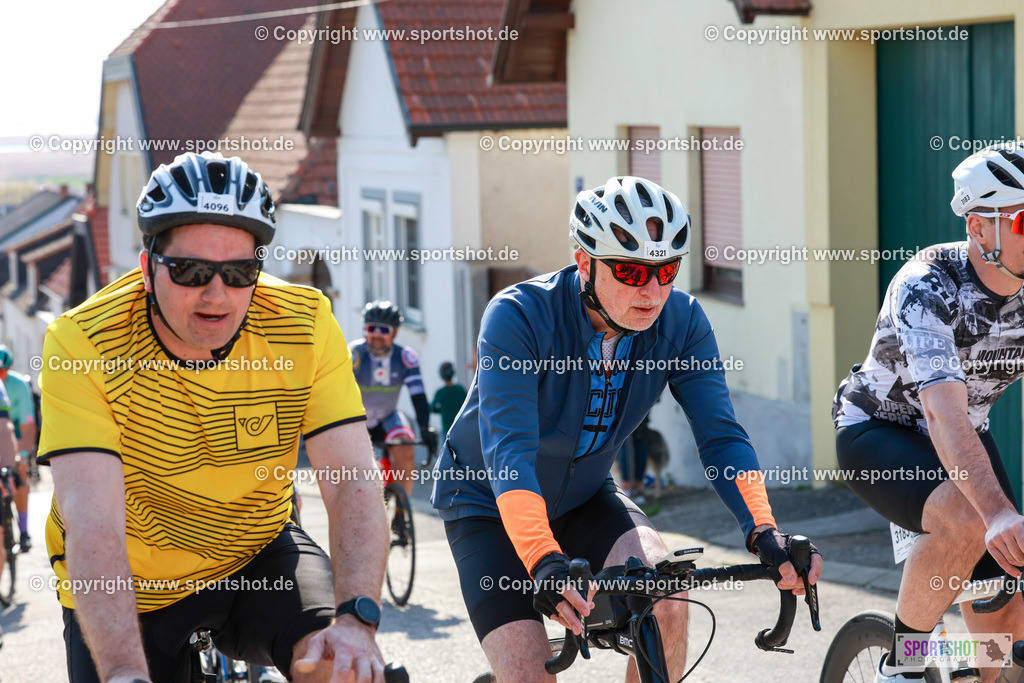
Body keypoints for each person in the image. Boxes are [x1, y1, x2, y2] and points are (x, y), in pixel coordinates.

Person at [431, 176, 822, 681]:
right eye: (632, 270)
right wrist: (543, 559)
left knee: (667, 596)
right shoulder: (517, 316)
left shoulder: (682, 322)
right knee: (529, 671)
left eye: (667, 271)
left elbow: (721, 435)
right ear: (584, 263)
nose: (653, 290)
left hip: (584, 497)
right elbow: (510, 452)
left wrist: (763, 530)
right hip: (487, 505)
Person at [39, 151, 389, 683]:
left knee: (336, 666)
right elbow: (93, 522)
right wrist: (125, 672)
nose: (217, 293)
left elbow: (351, 485)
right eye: (191, 270)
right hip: (135, 582)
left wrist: (356, 621)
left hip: (256, 555)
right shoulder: (83, 342)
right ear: (146, 267)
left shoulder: (305, 323)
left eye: (241, 271)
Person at [833, 142, 1024, 683]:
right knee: (968, 520)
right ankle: (905, 666)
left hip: (967, 430)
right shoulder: (927, 283)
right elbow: (941, 414)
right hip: (878, 429)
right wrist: (998, 513)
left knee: (1007, 616)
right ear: (980, 228)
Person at [350, 302, 438, 493]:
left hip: (388, 417)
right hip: (357, 419)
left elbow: (418, 395)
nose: (377, 335)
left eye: (384, 330)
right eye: (371, 328)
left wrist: (424, 427)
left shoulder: (406, 357)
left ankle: (401, 509)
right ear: (365, 330)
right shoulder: (354, 354)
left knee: (406, 450)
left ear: (395, 332)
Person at [0, 346, 35, 549]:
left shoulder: (19, 385)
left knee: (20, 470)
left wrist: (22, 454)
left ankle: (23, 531)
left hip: (16, 436)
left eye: (3, 371)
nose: (0, 375)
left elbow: (28, 426)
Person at [430, 361, 467, 439]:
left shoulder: (440, 392)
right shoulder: (460, 389)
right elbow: (467, 404)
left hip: (447, 429)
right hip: (462, 428)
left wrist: (442, 409)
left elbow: (432, 408)